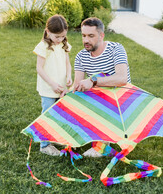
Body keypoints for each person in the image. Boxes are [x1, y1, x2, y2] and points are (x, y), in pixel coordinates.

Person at [73, 17, 131, 157]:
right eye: (83, 35)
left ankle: (102, 145)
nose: (86, 40)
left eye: (91, 36)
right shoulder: (81, 56)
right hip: (99, 97)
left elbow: (122, 78)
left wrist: (93, 81)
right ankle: (78, 135)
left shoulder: (116, 49)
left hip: (121, 98)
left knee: (101, 100)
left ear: (101, 36)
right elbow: (77, 86)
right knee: (74, 99)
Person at [33, 14, 72, 156]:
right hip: (49, 88)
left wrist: (69, 76)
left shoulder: (63, 44)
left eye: (63, 36)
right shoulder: (43, 46)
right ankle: (44, 145)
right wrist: (52, 84)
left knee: (61, 114)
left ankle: (57, 139)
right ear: (48, 32)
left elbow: (67, 63)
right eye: (57, 37)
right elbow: (39, 68)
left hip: (61, 87)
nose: (60, 39)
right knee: (47, 115)